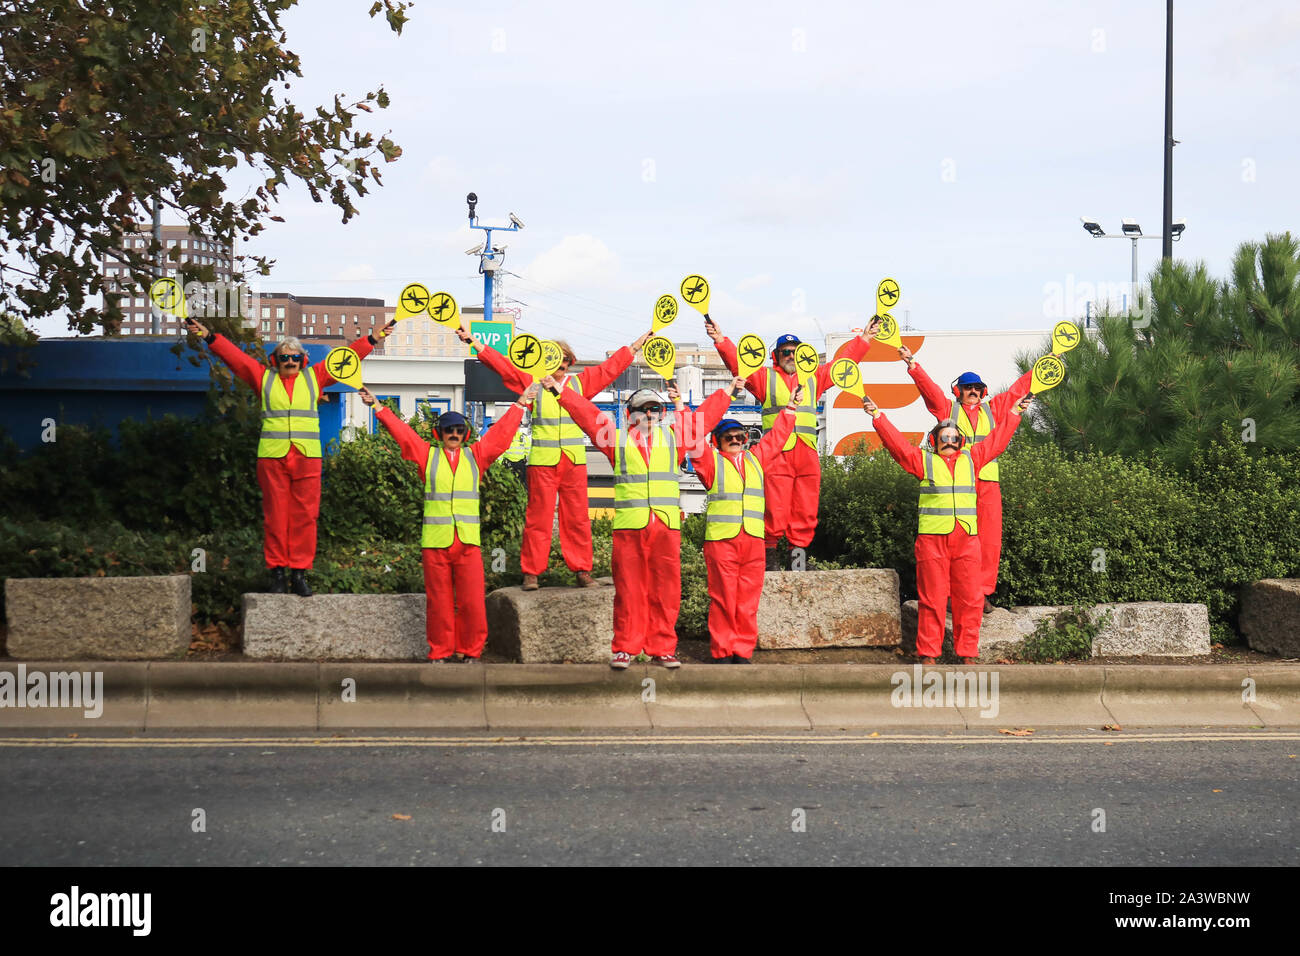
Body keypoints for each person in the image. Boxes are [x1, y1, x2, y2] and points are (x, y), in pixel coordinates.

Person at [184, 316, 394, 596]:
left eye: (295, 357)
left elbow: (346, 358)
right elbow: (234, 357)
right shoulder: (262, 377)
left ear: (303, 360)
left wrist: (372, 339)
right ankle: (278, 574)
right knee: (275, 517)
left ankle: (299, 574)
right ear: (276, 359)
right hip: (272, 457)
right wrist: (210, 336)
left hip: (307, 457)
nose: (290, 361)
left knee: (306, 517)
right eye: (285, 357)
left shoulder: (316, 376)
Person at [547, 375, 734, 669]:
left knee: (666, 589)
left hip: (665, 526)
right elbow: (587, 415)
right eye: (642, 409)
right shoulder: (615, 439)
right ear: (629, 413)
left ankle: (663, 648)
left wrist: (729, 391)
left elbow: (706, 418)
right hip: (630, 526)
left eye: (654, 409)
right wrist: (560, 391)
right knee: (629, 590)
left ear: (661, 414)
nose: (649, 414)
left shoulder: (674, 437)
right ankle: (626, 648)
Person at [359, 383, 539, 661]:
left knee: (472, 602)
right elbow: (403, 435)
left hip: (467, 542)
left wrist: (520, 404)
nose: (453, 434)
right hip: (435, 543)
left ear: (465, 434)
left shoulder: (475, 456)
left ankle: (470, 650)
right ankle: (441, 651)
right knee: (439, 602)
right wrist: (378, 407)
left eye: (458, 430)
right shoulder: (426, 455)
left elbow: (501, 436)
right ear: (439, 434)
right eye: (448, 430)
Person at [461, 327, 651, 590]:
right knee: (537, 518)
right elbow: (504, 367)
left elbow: (609, 369)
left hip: (573, 461)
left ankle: (582, 570)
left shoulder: (580, 384)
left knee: (578, 518)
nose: (558, 370)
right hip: (542, 462)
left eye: (562, 365)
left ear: (569, 364)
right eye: (553, 364)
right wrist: (477, 345)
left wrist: (634, 347)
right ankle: (531, 573)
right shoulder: (533, 383)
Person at [864, 392, 1031, 664]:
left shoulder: (973, 459)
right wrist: (878, 417)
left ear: (961, 441)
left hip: (967, 541)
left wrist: (1014, 413)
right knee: (932, 599)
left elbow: (997, 442)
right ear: (934, 441)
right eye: (944, 437)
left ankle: (968, 653)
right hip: (932, 542)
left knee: (970, 600)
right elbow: (898, 447)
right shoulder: (924, 461)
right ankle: (929, 653)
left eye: (955, 438)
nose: (950, 442)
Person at [706, 316, 880, 569]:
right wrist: (720, 340)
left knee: (806, 508)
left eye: (794, 351)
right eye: (784, 352)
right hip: (776, 454)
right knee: (774, 508)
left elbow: (844, 365)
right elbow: (738, 364)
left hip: (807, 453)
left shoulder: (815, 377)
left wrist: (865, 338)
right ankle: (769, 558)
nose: (790, 355)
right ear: (776, 356)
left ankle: (798, 561)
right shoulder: (764, 377)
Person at [897, 346, 1033, 612]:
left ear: (983, 392)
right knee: (955, 538)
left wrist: (1048, 363)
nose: (973, 391)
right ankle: (948, 593)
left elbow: (1019, 389)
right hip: (958, 481)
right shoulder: (948, 409)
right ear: (958, 390)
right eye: (967, 387)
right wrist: (912, 364)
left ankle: (980, 594)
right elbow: (930, 390)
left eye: (977, 388)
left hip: (988, 482)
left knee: (989, 540)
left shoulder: (994, 409)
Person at [688, 383, 803, 662]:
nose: (737, 440)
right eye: (729, 437)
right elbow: (692, 434)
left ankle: (742, 650)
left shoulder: (756, 460)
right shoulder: (710, 462)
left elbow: (777, 439)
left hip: (753, 541)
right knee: (723, 598)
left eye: (741, 436)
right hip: (722, 541)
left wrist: (791, 408)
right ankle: (722, 651)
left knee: (747, 602)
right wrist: (725, 395)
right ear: (717, 441)